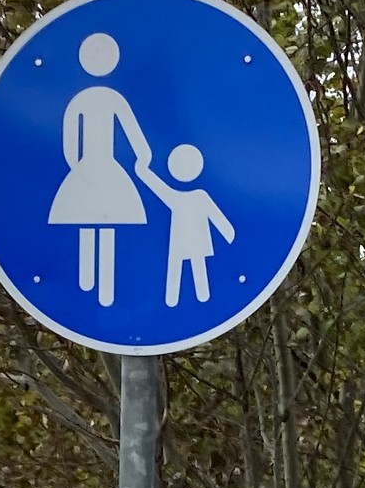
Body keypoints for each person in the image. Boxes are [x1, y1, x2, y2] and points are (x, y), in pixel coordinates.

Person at [48, 31, 152, 306]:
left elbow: (70, 141)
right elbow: (132, 133)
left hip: (92, 168)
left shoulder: (88, 99)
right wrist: (144, 156)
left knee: (98, 221)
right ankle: (93, 287)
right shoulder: (99, 99)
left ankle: (98, 286)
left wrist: (76, 168)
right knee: (97, 220)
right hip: (98, 168)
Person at [140, 143, 233, 309]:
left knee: (188, 267)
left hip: (189, 241)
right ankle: (177, 301)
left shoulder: (190, 196)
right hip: (188, 241)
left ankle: (180, 301)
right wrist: (143, 172)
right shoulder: (194, 196)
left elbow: (217, 217)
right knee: (185, 267)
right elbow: (219, 218)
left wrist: (144, 171)